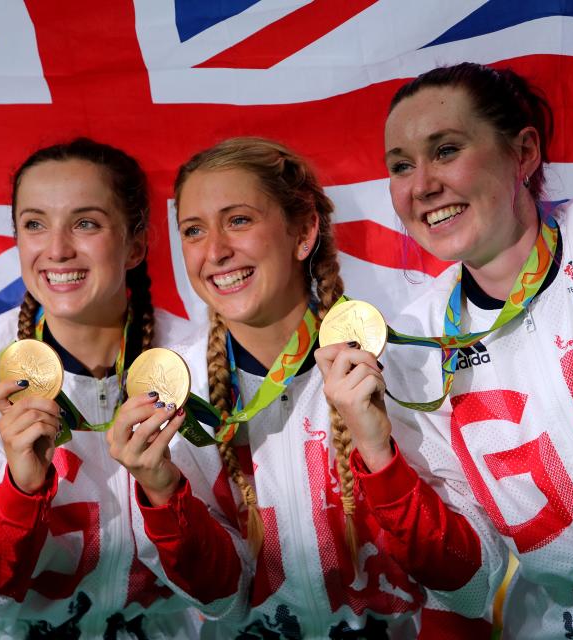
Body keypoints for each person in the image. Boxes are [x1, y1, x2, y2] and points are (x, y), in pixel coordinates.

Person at [320, 61, 573, 637]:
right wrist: (378, 454)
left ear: (523, 152)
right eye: (401, 166)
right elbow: (468, 580)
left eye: (446, 150)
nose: (422, 184)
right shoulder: (414, 354)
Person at [108, 136, 495, 638]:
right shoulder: (175, 393)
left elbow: (470, 586)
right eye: (193, 230)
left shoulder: (396, 364)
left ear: (304, 231)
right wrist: (163, 494)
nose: (216, 251)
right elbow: (222, 602)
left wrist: (379, 456)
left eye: (239, 220)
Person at [0, 138, 214, 638]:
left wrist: (163, 489)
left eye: (86, 223)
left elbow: (221, 587)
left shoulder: (197, 359)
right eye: (34, 224)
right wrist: (22, 489)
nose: (58, 248)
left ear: (136, 244)